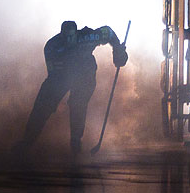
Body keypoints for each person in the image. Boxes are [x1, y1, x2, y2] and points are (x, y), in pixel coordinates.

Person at [13, 20, 128, 156]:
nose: (68, 40)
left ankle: (75, 142)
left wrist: (118, 50)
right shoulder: (51, 47)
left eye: (71, 37)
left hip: (85, 75)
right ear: (61, 35)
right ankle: (27, 142)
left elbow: (108, 32)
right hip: (60, 75)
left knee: (78, 104)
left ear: (76, 34)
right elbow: (52, 73)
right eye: (65, 37)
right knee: (42, 106)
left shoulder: (88, 37)